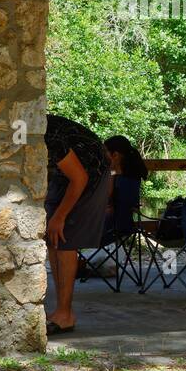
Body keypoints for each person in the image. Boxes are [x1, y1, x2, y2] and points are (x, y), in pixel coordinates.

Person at [43, 114, 111, 335]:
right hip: (65, 177)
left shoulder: (49, 137)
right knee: (52, 238)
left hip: (89, 175)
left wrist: (60, 216)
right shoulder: (26, 129)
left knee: (64, 238)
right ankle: (60, 310)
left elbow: (80, 178)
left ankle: (65, 314)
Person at [104, 135, 148, 236]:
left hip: (113, 229)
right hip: (122, 226)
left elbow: (108, 199)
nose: (103, 155)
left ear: (115, 155)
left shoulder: (124, 181)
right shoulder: (130, 177)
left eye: (105, 152)